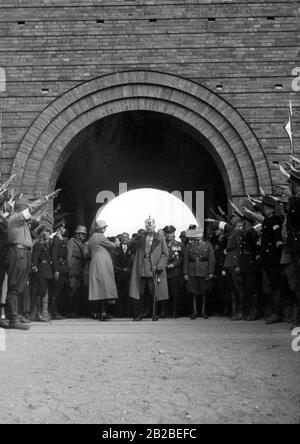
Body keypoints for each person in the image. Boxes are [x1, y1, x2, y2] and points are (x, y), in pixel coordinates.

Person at [6, 190, 60, 330]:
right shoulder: (15, 219)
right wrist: (46, 199)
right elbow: (31, 210)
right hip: (19, 253)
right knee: (15, 286)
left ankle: (13, 317)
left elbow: (34, 222)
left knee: (18, 286)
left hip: (23, 254)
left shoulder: (21, 223)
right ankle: (13, 319)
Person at [129, 216, 169, 321]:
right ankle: (139, 314)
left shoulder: (160, 238)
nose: (149, 226)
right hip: (141, 268)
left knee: (154, 293)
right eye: (147, 224)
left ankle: (154, 314)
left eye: (151, 224)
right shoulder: (140, 237)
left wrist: (160, 266)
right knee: (140, 293)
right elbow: (130, 246)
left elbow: (165, 254)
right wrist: (135, 239)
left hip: (153, 268)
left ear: (155, 225)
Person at [88, 220, 119, 320]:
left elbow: (89, 252)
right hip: (102, 264)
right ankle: (103, 312)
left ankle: (98, 312)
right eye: (104, 227)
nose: (105, 229)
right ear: (101, 228)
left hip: (95, 263)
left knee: (98, 288)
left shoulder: (92, 237)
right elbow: (113, 246)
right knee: (105, 287)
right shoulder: (100, 236)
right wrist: (116, 242)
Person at [183, 227, 215, 319]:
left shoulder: (208, 245)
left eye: (199, 234)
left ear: (202, 235)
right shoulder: (189, 245)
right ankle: (194, 311)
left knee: (204, 291)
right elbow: (186, 260)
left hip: (204, 270)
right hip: (192, 270)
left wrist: (211, 272)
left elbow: (211, 259)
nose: (197, 235)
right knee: (193, 292)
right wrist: (185, 273)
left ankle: (203, 311)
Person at [160, 225, 183, 318]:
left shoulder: (179, 244)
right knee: (164, 293)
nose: (169, 235)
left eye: (171, 233)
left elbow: (181, 258)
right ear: (165, 234)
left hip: (174, 272)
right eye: (167, 233)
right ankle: (163, 311)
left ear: (174, 233)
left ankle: (174, 311)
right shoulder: (161, 244)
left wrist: (173, 264)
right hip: (163, 272)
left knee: (175, 293)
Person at [31, 224, 53, 322]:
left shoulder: (45, 245)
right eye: (45, 231)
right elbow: (35, 257)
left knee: (43, 291)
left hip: (46, 271)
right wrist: (34, 266)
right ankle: (38, 314)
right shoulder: (38, 245)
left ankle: (41, 313)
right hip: (41, 271)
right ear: (40, 234)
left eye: (48, 232)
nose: (47, 233)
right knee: (40, 292)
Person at [67, 225, 87, 317]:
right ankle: (71, 311)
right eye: (82, 234)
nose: (84, 236)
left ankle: (75, 311)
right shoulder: (71, 241)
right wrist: (69, 268)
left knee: (77, 291)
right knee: (72, 290)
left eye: (84, 234)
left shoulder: (82, 244)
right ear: (78, 234)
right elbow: (69, 255)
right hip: (73, 268)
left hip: (79, 268)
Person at [51, 219, 69, 319]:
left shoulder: (61, 240)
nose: (64, 229)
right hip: (59, 268)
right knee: (56, 291)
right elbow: (54, 256)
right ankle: (54, 313)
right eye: (62, 227)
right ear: (59, 229)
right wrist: (56, 270)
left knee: (61, 290)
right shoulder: (57, 240)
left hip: (63, 268)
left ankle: (58, 311)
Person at [114, 232, 135, 317]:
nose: (124, 239)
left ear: (129, 239)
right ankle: (120, 313)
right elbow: (114, 262)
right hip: (120, 274)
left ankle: (128, 312)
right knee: (120, 294)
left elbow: (133, 262)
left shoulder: (132, 249)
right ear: (121, 239)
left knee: (128, 294)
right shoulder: (117, 249)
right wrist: (121, 269)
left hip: (129, 275)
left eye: (126, 237)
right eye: (123, 237)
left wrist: (129, 269)